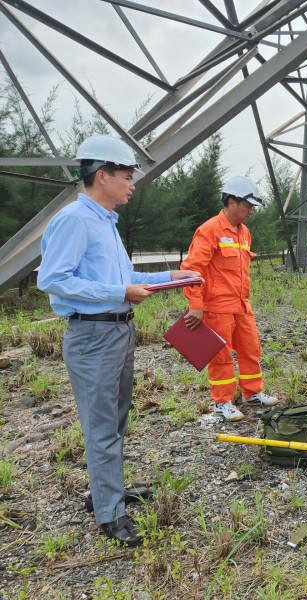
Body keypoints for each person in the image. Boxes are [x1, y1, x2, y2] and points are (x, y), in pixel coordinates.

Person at [38, 135, 199, 547]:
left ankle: (105, 491)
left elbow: (124, 279)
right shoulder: (75, 219)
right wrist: (119, 294)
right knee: (102, 425)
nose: (132, 184)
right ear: (102, 174)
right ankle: (109, 514)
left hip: (117, 329)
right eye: (127, 176)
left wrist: (171, 277)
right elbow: (54, 280)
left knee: (116, 419)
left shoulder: (106, 222)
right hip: (92, 334)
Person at [181, 176, 279, 421]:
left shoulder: (244, 233)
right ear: (231, 202)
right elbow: (192, 269)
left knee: (250, 349)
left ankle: (252, 393)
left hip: (241, 304)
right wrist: (196, 304)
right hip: (217, 306)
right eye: (248, 205)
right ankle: (222, 402)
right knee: (221, 355)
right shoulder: (210, 230)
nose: (251, 211)